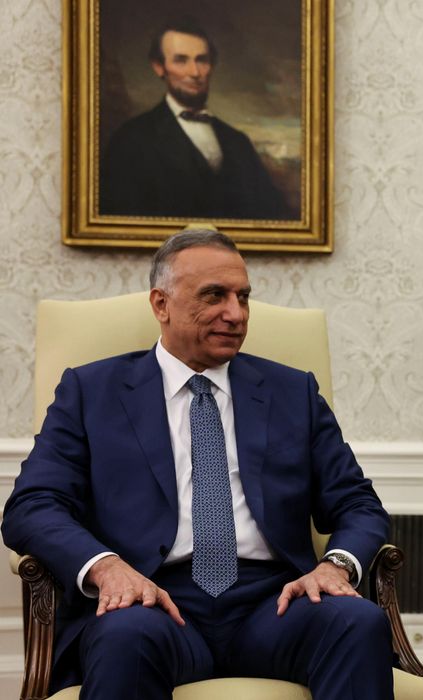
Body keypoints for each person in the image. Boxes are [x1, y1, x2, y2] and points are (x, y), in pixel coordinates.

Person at [3, 229, 392, 698]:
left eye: (243, 297)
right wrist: (107, 569)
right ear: (161, 304)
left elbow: (357, 503)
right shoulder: (91, 392)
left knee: (356, 620)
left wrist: (336, 565)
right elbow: (32, 506)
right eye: (215, 296)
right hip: (152, 600)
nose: (236, 313)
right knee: (126, 635)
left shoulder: (293, 393)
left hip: (275, 603)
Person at [100, 20, 293, 220]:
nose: (195, 72)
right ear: (159, 67)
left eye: (202, 60)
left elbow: (271, 216)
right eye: (181, 60)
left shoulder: (238, 142)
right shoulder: (131, 139)